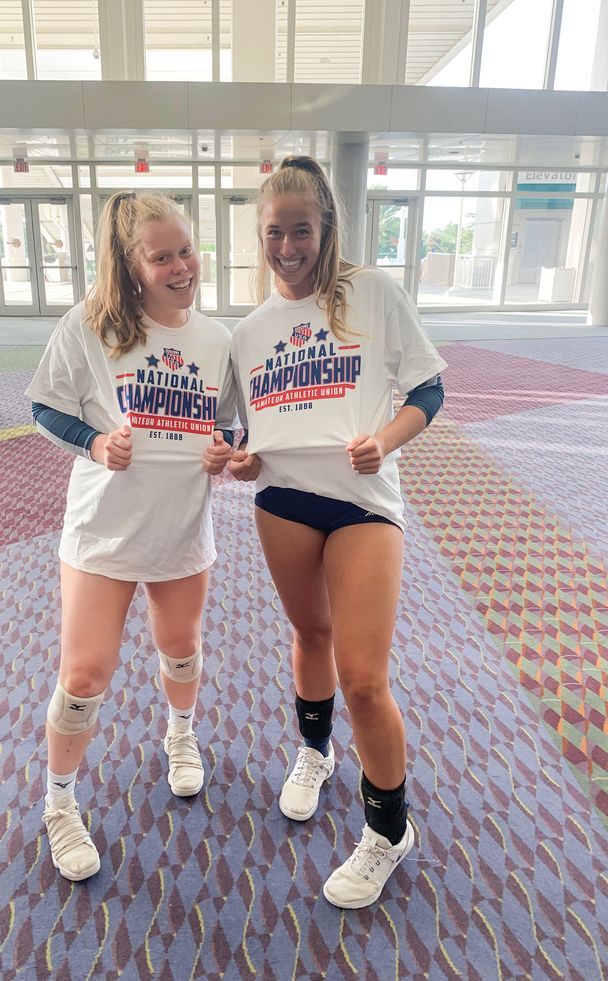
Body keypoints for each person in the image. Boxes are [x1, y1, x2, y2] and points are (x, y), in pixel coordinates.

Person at [229, 156, 446, 909]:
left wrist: (385, 439)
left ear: (328, 227)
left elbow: (428, 389)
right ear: (258, 233)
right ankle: (314, 754)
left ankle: (389, 828)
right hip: (284, 500)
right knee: (310, 634)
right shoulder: (251, 329)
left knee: (363, 675)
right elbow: (238, 429)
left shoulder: (373, 294)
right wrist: (244, 458)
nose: (288, 247)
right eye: (274, 232)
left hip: (363, 502)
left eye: (302, 230)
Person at [26, 192, 236, 882]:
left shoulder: (215, 339)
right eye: (162, 255)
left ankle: (180, 734)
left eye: (186, 249)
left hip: (180, 528)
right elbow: (43, 407)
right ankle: (59, 802)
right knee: (84, 673)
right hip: (101, 534)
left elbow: (234, 425)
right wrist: (93, 441)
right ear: (130, 262)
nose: (182, 266)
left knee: (181, 648)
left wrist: (224, 448)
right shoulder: (89, 325)